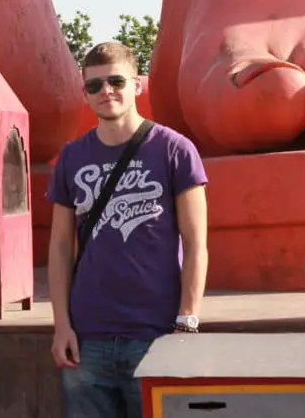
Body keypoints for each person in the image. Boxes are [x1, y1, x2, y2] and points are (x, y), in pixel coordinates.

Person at [47, 41, 209, 418]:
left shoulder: (174, 150)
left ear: (137, 84)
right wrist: (61, 326)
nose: (106, 92)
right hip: (88, 338)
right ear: (85, 93)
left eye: (116, 81)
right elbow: (58, 246)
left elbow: (196, 241)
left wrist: (187, 320)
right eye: (94, 85)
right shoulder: (71, 157)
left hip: (156, 333)